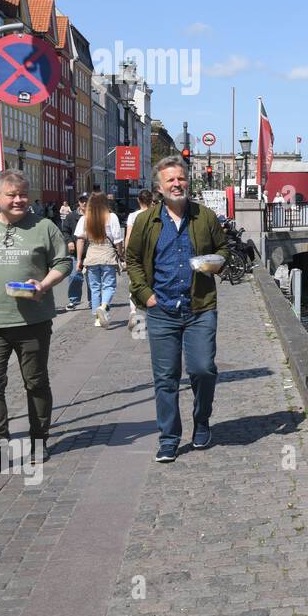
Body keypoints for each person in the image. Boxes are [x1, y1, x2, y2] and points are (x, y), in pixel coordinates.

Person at [0, 169, 72, 468]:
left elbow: (63, 262)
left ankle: (39, 441)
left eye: (23, 194)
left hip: (33, 322)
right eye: (11, 195)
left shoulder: (44, 227)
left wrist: (44, 285)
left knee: (35, 382)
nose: (18, 200)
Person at [127, 156, 229, 463]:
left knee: (203, 369)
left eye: (181, 178)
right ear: (159, 187)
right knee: (166, 377)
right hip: (162, 309)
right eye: (170, 180)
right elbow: (131, 260)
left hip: (199, 307)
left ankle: (202, 420)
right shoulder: (146, 221)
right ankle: (169, 438)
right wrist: (145, 295)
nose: (177, 184)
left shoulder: (205, 216)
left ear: (188, 181)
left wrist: (215, 263)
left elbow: (223, 248)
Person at [75, 192, 124, 328]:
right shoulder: (111, 216)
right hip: (107, 253)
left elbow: (80, 239)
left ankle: (97, 318)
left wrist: (79, 259)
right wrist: (120, 254)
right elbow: (118, 239)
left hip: (92, 253)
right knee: (109, 285)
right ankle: (103, 307)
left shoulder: (85, 218)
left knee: (94, 287)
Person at [124, 190, 155, 328]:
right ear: (151, 200)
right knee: (151, 280)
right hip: (151, 252)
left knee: (135, 281)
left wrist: (126, 254)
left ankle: (133, 311)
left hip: (136, 252)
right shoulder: (156, 213)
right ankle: (151, 312)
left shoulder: (133, 216)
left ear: (138, 200)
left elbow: (129, 236)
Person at [60, 194, 89, 310]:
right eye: (82, 201)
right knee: (74, 276)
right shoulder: (71, 216)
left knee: (91, 278)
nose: (84, 203)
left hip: (91, 252)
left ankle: (93, 300)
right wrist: (69, 241)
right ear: (79, 202)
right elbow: (65, 231)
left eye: (87, 201)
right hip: (75, 252)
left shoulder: (95, 216)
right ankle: (74, 300)